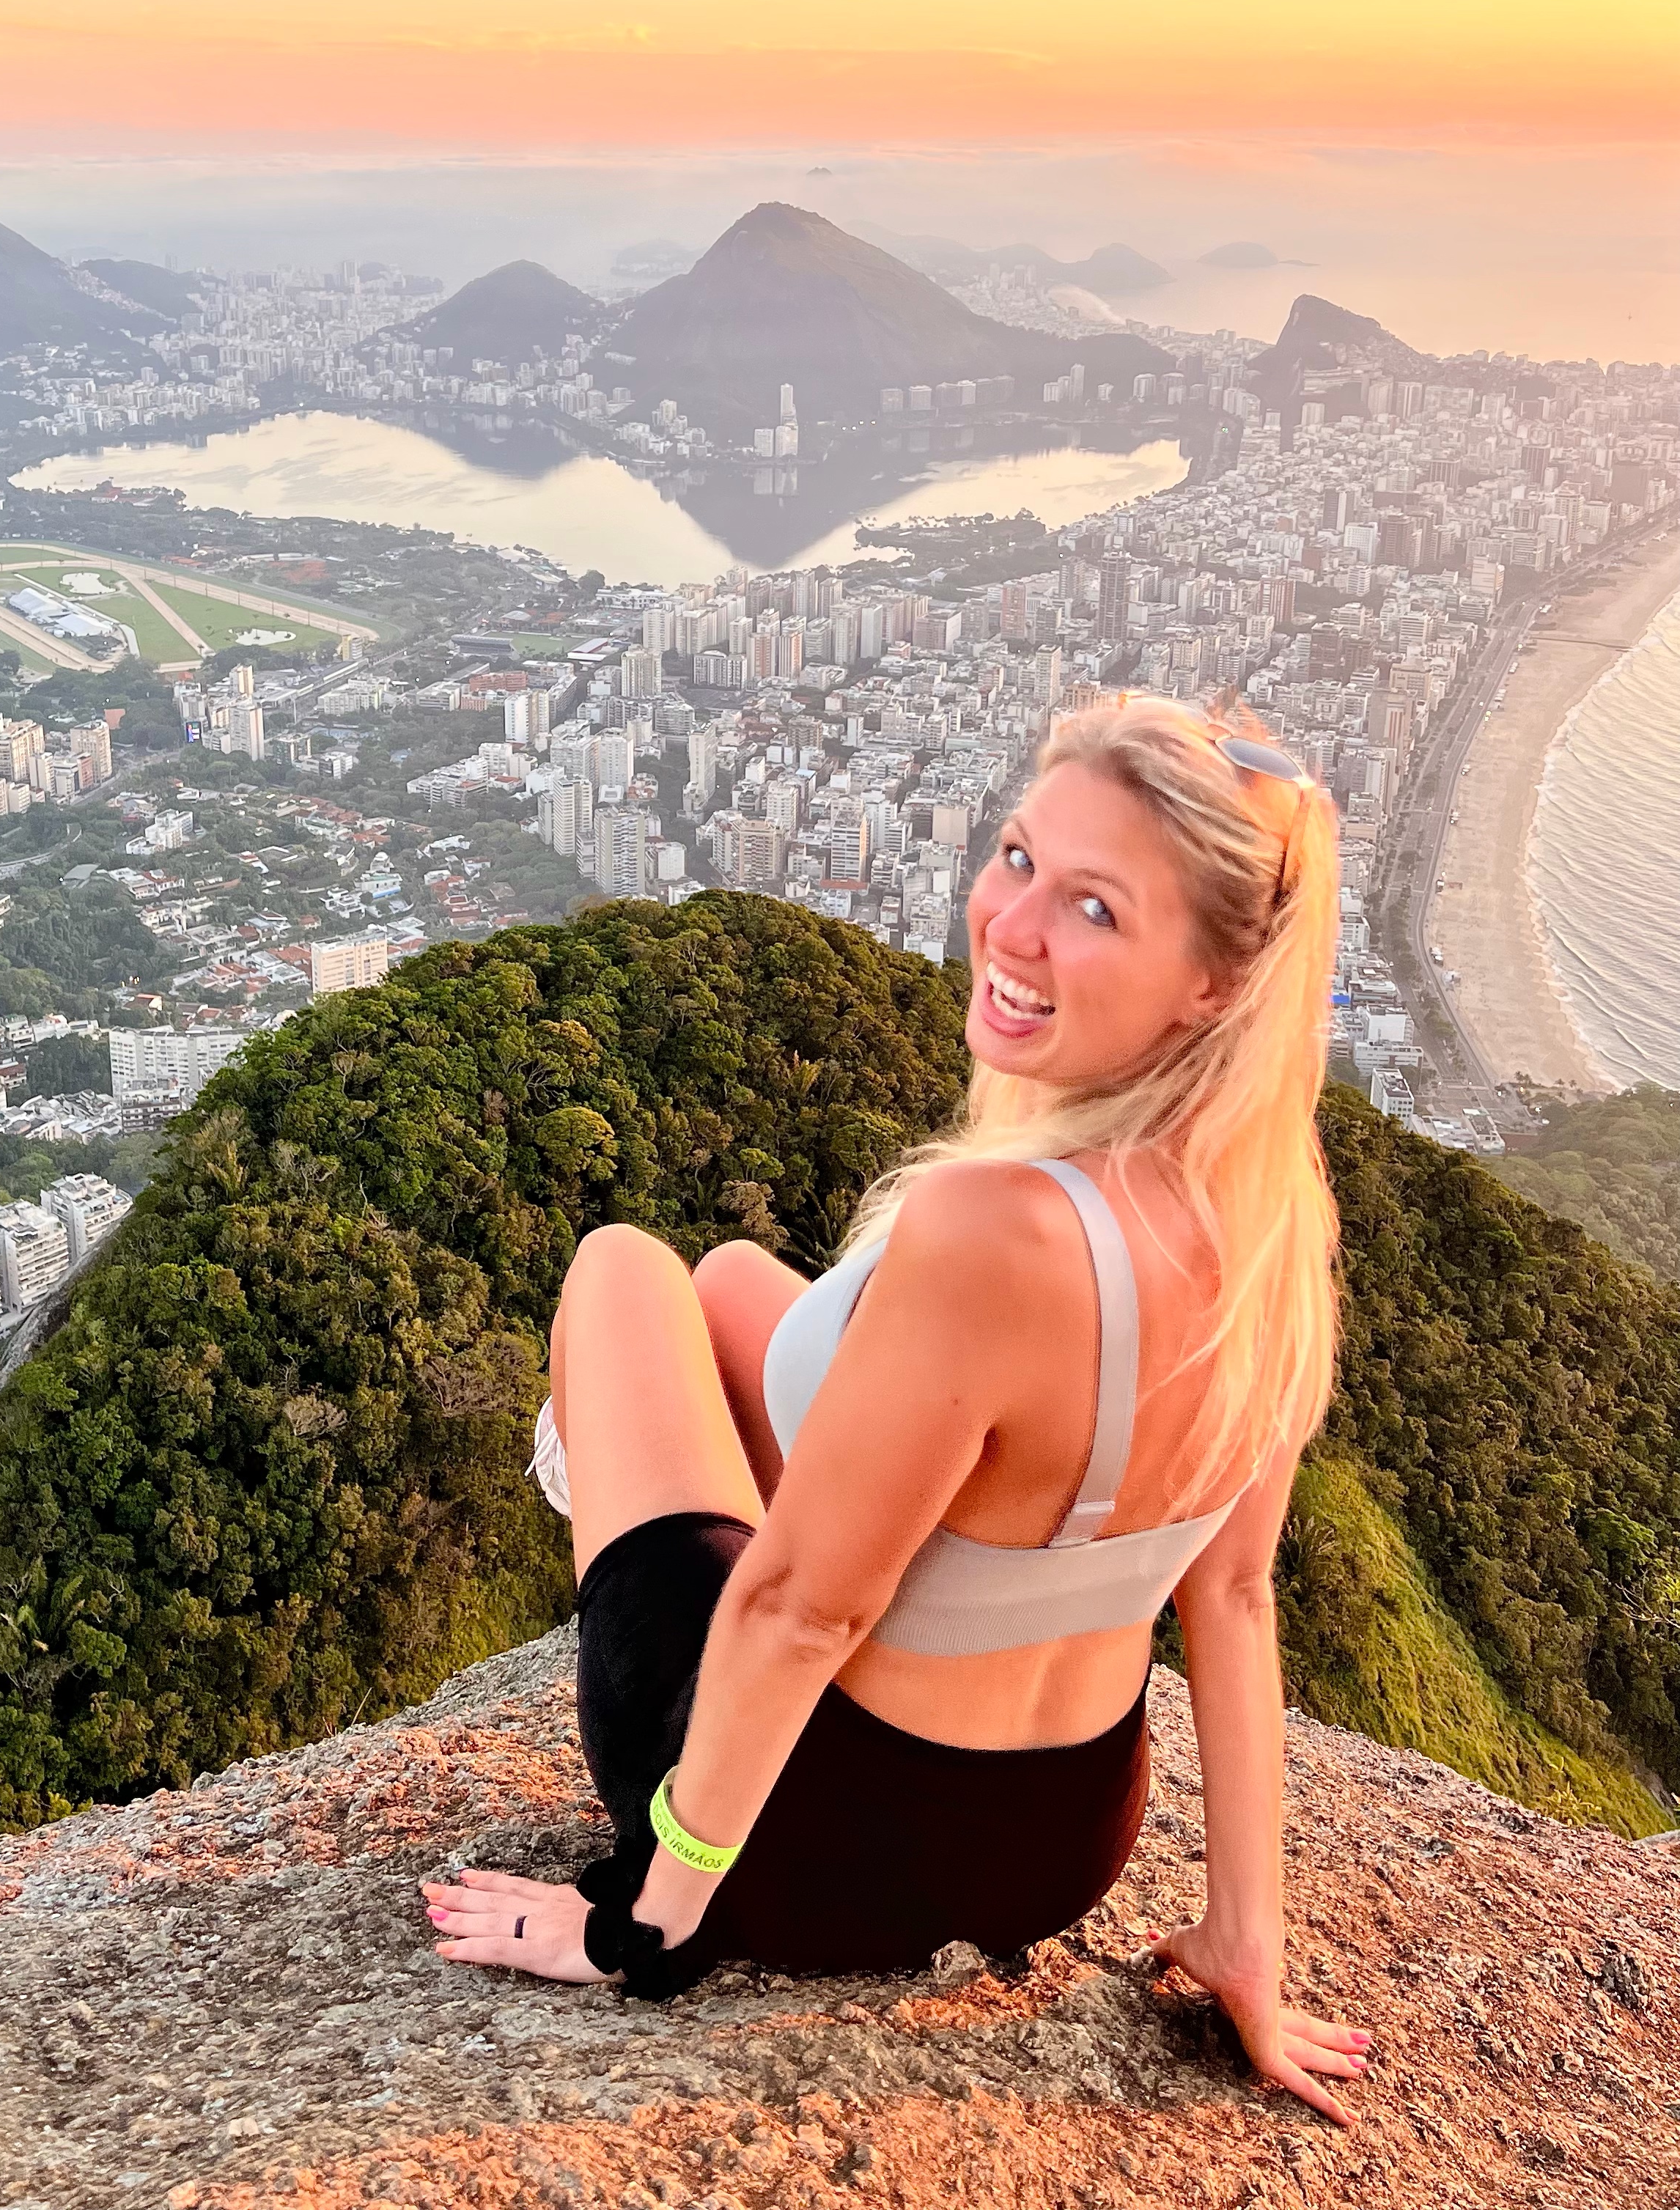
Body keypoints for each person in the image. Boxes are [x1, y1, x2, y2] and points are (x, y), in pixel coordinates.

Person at [422, 695, 1372, 2124]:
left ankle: (613, 1533)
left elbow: (802, 1612)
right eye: (1017, 856)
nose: (1014, 926)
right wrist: (1249, 1938)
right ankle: (681, 1500)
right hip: (1062, 1843)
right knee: (741, 1284)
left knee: (625, 1274)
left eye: (1097, 910)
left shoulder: (991, 1230)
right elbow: (1233, 1598)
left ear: (1209, 987)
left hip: (824, 1849)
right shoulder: (1270, 1220)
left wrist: (646, 1923)